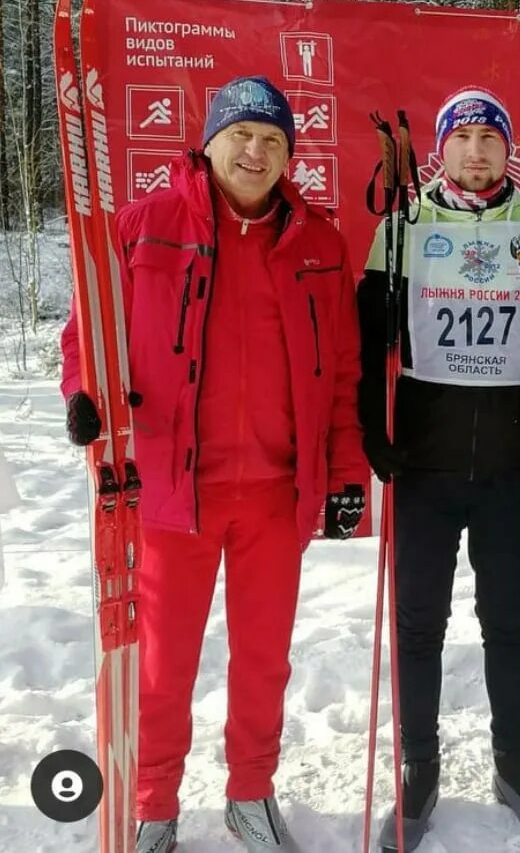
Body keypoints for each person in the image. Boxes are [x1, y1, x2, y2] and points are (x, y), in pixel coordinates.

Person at [61, 76, 369, 853]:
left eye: (272, 139)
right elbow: (86, 332)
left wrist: (344, 476)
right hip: (172, 493)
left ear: (289, 154)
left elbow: (343, 376)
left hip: (275, 495)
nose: (256, 151)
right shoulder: (145, 225)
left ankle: (250, 793)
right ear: (209, 143)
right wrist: (85, 397)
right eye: (242, 135)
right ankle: (156, 801)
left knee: (264, 660)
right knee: (164, 664)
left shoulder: (320, 246)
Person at [357, 86, 520, 850]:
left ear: (507, 150)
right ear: (441, 149)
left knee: (508, 619)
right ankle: (419, 767)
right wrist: (371, 423)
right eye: (462, 137)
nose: (477, 150)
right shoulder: (402, 225)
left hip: (511, 459)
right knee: (419, 621)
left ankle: (510, 759)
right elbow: (368, 344)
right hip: (423, 457)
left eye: (491, 137)